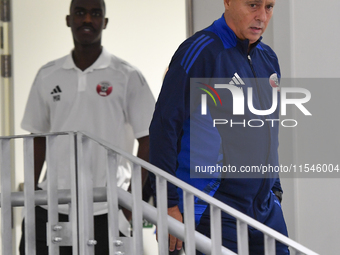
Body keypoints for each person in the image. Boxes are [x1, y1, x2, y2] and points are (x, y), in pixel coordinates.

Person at [149, 0, 289, 254]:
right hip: (212, 207)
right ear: (227, 2)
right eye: (253, 5)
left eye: (269, 7)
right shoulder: (200, 51)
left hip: (264, 210)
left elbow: (270, 128)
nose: (261, 16)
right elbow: (163, 128)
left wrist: (275, 188)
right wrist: (167, 203)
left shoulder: (268, 58)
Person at [19, 0, 155, 254]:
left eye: (95, 14)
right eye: (80, 13)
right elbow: (37, 137)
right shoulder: (48, 74)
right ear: (69, 19)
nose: (87, 20)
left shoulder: (126, 75)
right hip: (52, 205)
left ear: (104, 22)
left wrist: (129, 203)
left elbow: (149, 139)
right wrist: (31, 195)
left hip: (108, 207)